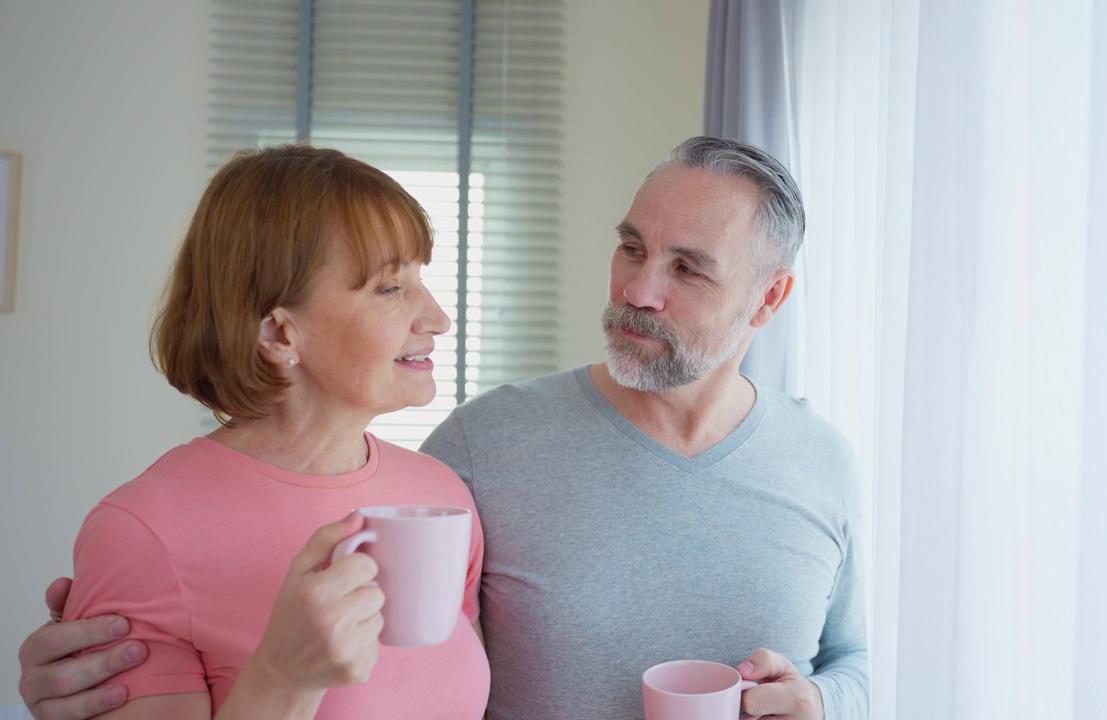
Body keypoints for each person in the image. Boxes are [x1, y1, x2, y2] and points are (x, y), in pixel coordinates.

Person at [18, 137, 867, 719]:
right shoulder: (479, 452)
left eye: (688, 267)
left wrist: (825, 701)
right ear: (280, 332)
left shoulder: (432, 492)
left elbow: (854, 663)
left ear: (769, 298)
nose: (640, 289)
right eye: (632, 248)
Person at [18, 145, 489, 720]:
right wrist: (283, 677)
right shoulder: (142, 533)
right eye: (390, 288)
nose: (438, 318)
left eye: (420, 279)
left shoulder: (440, 498)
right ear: (279, 334)